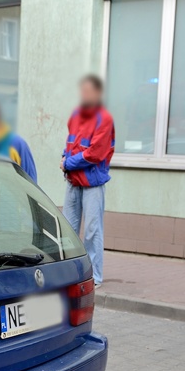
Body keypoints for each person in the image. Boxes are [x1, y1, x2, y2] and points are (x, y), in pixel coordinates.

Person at [61, 75, 114, 288]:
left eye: (88, 91)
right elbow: (70, 144)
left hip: (92, 184)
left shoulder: (105, 118)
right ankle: (71, 274)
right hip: (73, 181)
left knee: (93, 231)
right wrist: (64, 158)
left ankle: (95, 277)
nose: (84, 95)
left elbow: (95, 153)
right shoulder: (76, 115)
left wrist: (67, 163)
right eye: (82, 91)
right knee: (68, 231)